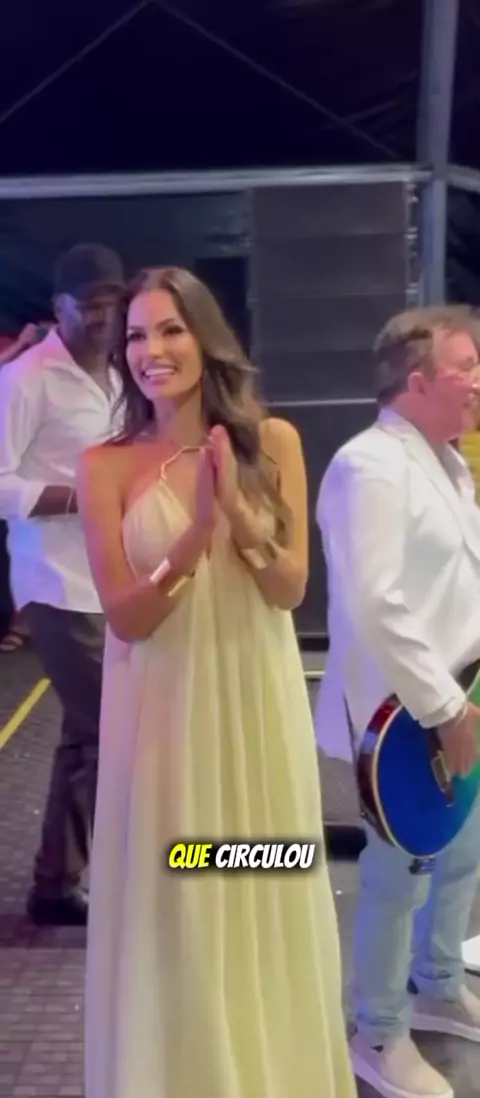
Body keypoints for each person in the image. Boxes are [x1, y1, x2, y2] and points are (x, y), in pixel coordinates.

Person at [77, 267, 356, 1098]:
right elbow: (127, 616)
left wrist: (237, 514)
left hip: (256, 708)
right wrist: (194, 534)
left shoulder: (274, 443)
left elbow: (290, 589)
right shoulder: (105, 465)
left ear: (207, 338)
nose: (151, 351)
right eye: (135, 335)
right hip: (162, 714)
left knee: (262, 877)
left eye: (170, 329)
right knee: (179, 889)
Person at [315, 305, 480, 1098]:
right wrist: (444, 709)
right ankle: (376, 1030)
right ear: (417, 381)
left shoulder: (447, 462)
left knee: (462, 853)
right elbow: (376, 602)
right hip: (401, 718)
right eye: (467, 367)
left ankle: (437, 983)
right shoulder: (369, 467)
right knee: (399, 873)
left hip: (461, 697)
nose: (479, 381)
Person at [0, 243, 125, 925]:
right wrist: (83, 498)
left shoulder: (122, 375)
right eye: (91, 303)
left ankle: (54, 886)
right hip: (55, 584)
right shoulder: (26, 380)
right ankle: (147, 876)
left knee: (87, 735)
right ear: (60, 307)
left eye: (113, 301)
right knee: (116, 731)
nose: (104, 315)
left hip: (114, 581)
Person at [0, 324, 47, 651]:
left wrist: (24, 344)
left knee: (24, 537)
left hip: (21, 454)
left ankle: (23, 621)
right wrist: (20, 345)